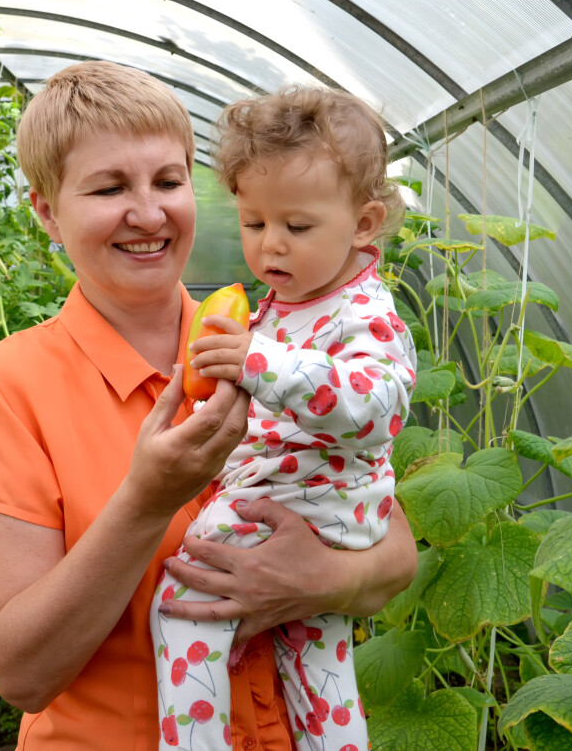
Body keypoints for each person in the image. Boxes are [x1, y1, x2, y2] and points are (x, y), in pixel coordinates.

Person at [0, 62, 418, 751]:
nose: (148, 213)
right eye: (109, 188)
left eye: (168, 181)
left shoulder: (271, 344)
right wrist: (147, 499)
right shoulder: (13, 385)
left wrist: (321, 581)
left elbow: (393, 548)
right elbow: (21, 672)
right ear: (47, 211)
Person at [151, 87, 417, 751]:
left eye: (297, 227)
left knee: (184, 609)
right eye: (252, 222)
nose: (271, 245)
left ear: (364, 223)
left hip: (301, 503)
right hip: (320, 515)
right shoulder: (282, 304)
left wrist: (260, 361)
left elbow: (374, 407)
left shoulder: (365, 312)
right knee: (317, 673)